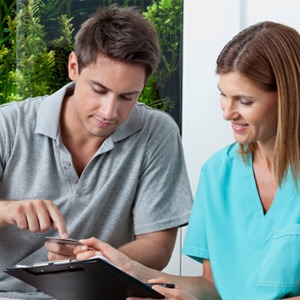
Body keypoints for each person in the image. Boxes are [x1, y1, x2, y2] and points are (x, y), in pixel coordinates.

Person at [74, 21, 300, 299]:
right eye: (223, 95)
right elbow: (213, 288)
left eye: (244, 101)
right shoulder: (219, 172)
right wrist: (128, 268)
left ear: (289, 97)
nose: (228, 113)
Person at [0, 4, 193, 299]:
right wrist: (7, 210)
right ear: (74, 67)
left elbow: (158, 245)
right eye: (99, 90)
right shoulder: (8, 124)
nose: (109, 111)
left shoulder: (158, 133)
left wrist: (99, 258)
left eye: (128, 96)